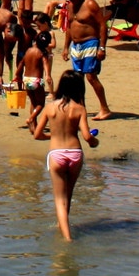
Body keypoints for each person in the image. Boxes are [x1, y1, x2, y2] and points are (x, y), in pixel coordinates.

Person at [29, 69, 100, 241]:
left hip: (57, 154)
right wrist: (94, 142)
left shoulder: (50, 108)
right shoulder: (79, 109)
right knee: (68, 195)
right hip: (75, 153)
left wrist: (52, 135)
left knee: (59, 199)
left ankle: (67, 239)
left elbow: (37, 135)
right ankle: (63, 225)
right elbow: (87, 136)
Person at [62, 0, 114, 119]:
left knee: (91, 76)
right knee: (78, 78)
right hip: (76, 46)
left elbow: (102, 25)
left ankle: (104, 108)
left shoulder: (90, 4)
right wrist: (66, 47)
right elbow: (69, 27)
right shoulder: (70, 6)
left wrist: (102, 47)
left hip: (90, 43)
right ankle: (81, 107)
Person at [20, 30, 52, 125]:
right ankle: (31, 118)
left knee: (33, 103)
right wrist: (48, 75)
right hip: (36, 81)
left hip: (26, 79)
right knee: (41, 104)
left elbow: (22, 63)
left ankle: (33, 126)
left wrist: (17, 75)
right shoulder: (42, 53)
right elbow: (45, 64)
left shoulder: (29, 50)